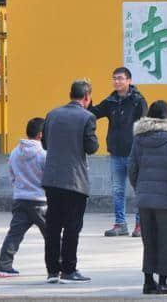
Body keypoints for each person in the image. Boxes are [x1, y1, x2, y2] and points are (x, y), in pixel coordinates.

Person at [42, 80, 99, 283]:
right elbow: (92, 147)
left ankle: (51, 270)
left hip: (52, 178)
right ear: (87, 97)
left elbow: (46, 143)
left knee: (53, 226)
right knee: (72, 227)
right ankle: (68, 269)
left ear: (70, 94)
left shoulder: (52, 114)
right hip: (75, 180)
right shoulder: (88, 117)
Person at [128, 100, 167, 295]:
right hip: (166, 200)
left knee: (148, 241)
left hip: (144, 199)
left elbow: (132, 169)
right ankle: (163, 282)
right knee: (166, 241)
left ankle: (148, 282)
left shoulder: (138, 139)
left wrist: (140, 188)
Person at [89, 67, 148, 237]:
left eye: (120, 78)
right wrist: (88, 97)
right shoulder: (111, 101)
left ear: (129, 80)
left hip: (134, 153)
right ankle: (120, 224)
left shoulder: (138, 101)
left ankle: (140, 225)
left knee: (138, 190)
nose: (117, 81)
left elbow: (144, 126)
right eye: (114, 78)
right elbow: (93, 113)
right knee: (117, 190)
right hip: (116, 153)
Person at [0, 118, 48, 277]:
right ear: (40, 135)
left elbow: (12, 175)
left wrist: (20, 188)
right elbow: (48, 178)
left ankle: (4, 266)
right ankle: (58, 266)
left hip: (20, 199)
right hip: (40, 201)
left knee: (14, 234)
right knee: (51, 235)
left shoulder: (15, 152)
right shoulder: (44, 154)